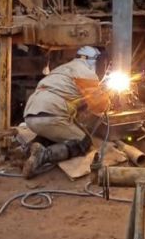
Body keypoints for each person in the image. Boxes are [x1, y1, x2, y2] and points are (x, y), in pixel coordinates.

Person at [22, 46, 110, 178]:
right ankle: (43, 156)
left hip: (30, 115)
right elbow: (99, 107)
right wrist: (108, 96)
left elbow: (74, 99)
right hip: (50, 115)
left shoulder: (62, 69)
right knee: (84, 142)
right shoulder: (86, 74)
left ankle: (25, 150)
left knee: (55, 134)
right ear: (95, 61)